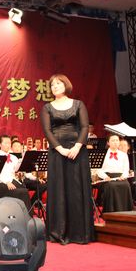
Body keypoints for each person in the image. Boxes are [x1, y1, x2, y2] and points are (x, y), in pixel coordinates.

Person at [40, 74, 94, 245]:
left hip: (77, 150)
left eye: (58, 83)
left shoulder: (78, 104)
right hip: (58, 152)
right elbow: (47, 131)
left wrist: (77, 146)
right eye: (52, 85)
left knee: (77, 189)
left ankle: (80, 232)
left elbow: (84, 127)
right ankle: (59, 231)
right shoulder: (47, 107)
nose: (55, 86)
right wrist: (60, 148)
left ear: (66, 85)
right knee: (59, 189)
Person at [96, 134, 133, 212]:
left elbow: (126, 169)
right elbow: (99, 169)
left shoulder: (123, 155)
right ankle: (111, 211)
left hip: (120, 177)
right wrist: (105, 177)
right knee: (111, 186)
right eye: (113, 140)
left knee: (126, 185)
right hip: (107, 178)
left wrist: (123, 176)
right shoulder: (103, 154)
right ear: (108, 143)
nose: (115, 142)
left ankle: (125, 211)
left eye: (117, 140)